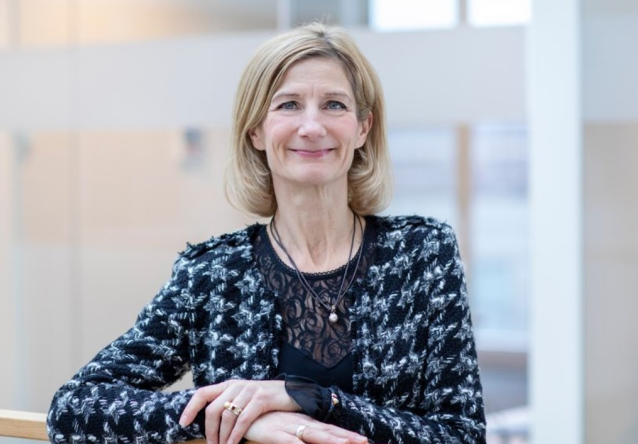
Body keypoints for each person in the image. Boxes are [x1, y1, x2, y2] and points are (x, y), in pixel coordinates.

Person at [47, 22, 486, 444]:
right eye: (288, 105)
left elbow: (462, 434)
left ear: (362, 128)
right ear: (255, 130)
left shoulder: (423, 254)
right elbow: (73, 407)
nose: (311, 127)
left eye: (334, 105)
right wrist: (232, 414)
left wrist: (313, 398)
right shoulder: (212, 273)